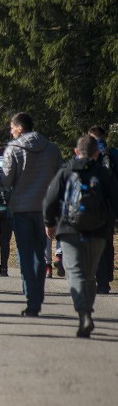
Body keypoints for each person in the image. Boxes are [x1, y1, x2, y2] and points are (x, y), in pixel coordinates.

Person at [43, 135, 118, 337]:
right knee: (90, 275)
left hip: (69, 229)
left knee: (75, 272)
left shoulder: (66, 171)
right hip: (98, 231)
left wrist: (49, 222)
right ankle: (87, 310)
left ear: (76, 151)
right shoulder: (104, 173)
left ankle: (84, 312)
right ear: (96, 153)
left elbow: (50, 199)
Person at [2, 112, 63, 316]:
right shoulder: (52, 149)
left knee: (25, 254)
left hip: (21, 207)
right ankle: (39, 294)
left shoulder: (14, 149)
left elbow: (7, 180)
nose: (11, 132)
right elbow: (59, 179)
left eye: (12, 128)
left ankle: (32, 299)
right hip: (46, 209)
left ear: (20, 128)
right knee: (40, 253)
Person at [89, 125, 118, 293]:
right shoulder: (113, 153)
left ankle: (102, 283)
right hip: (111, 204)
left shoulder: (90, 152)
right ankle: (108, 275)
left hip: (95, 203)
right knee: (108, 240)